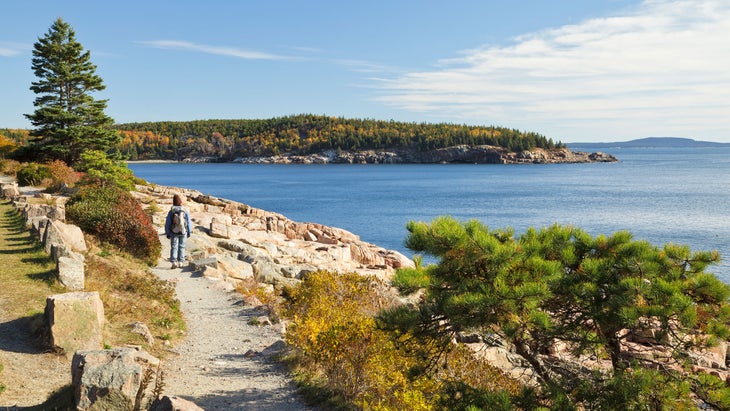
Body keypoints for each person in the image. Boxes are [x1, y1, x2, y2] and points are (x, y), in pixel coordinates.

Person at [164, 194, 192, 269]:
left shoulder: (171, 211)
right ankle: (181, 262)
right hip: (183, 231)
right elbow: (188, 222)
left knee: (174, 246)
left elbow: (168, 223)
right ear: (180, 201)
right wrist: (189, 231)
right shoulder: (184, 210)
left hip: (173, 231)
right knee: (182, 246)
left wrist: (168, 233)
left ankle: (174, 262)